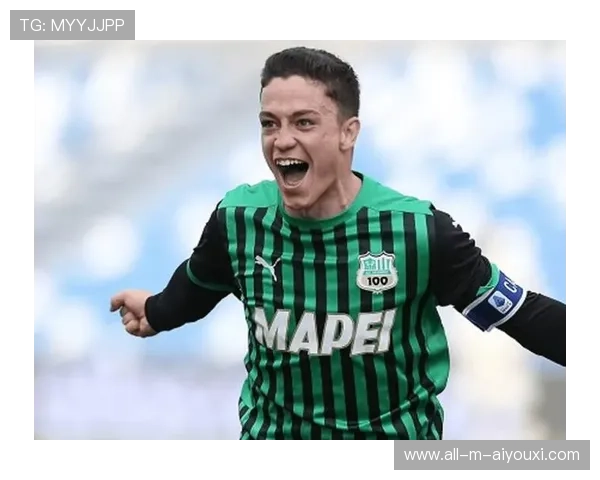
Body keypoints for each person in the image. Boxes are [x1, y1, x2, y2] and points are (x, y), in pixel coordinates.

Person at [110, 47, 567, 440]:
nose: (281, 140)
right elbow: (198, 285)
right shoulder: (238, 220)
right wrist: (156, 312)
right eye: (269, 123)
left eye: (304, 123)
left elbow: (520, 313)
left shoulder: (418, 232)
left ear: (349, 132)